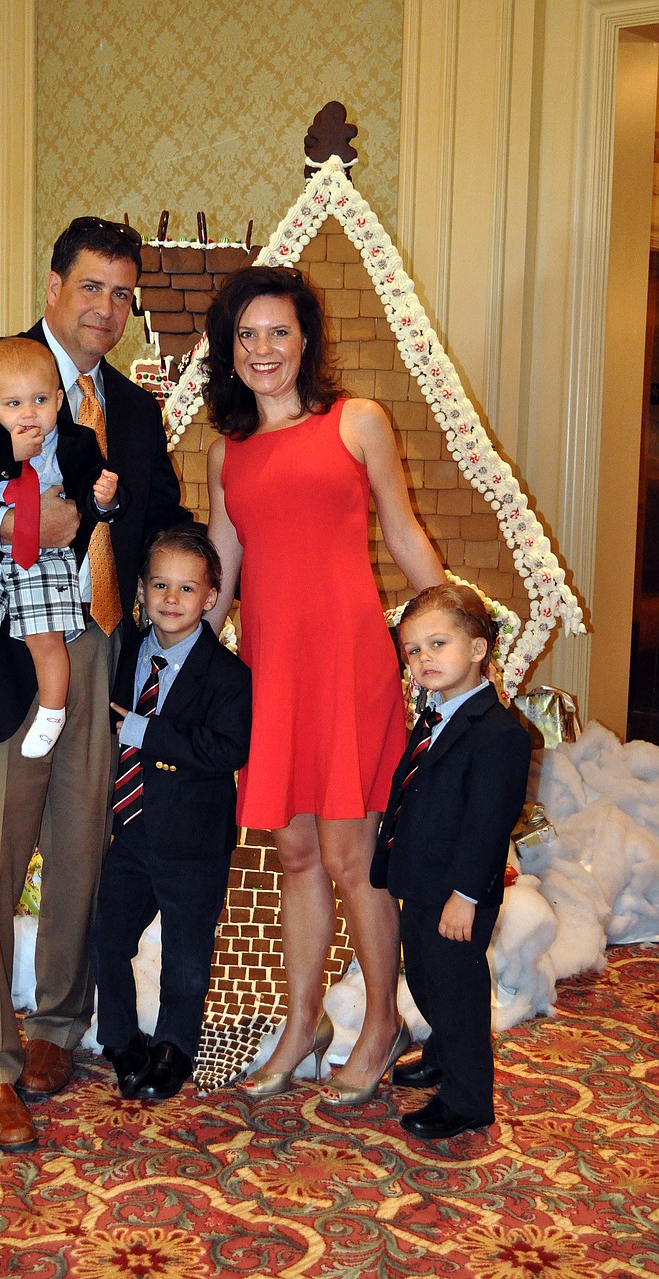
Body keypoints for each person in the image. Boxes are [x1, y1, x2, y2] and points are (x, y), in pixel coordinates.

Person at [0, 217, 193, 1153]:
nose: (107, 308)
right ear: (53, 284)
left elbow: (161, 516)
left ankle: (58, 1026)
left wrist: (202, 589)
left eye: (122, 293)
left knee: (80, 849)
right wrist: (22, 525)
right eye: (91, 286)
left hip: (95, 652)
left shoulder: (134, 411)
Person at [202, 265, 446, 1104]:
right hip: (270, 670)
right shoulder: (224, 450)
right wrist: (180, 672)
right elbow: (220, 573)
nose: (264, 349)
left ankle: (383, 1022)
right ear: (227, 349)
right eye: (247, 335)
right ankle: (301, 1023)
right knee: (294, 849)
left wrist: (452, 639)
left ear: (307, 339)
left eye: (279, 331)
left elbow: (405, 534)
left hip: (348, 662)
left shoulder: (357, 421)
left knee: (351, 854)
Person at [91, 528, 252, 1102]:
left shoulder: (229, 676)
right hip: (128, 831)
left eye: (187, 588)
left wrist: (142, 731)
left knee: (186, 953)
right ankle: (118, 1037)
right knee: (108, 937)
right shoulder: (125, 650)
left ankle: (174, 1046)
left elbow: (226, 749)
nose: (171, 599)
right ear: (141, 588)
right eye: (160, 584)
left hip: (193, 841)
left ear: (211, 597)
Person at [370, 584, 532, 1139]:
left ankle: (467, 1099)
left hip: (458, 893)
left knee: (456, 991)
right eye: (413, 650)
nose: (423, 659)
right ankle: (440, 1051)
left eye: (438, 643)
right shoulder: (436, 715)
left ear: (480, 648)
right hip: (424, 882)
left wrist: (466, 897)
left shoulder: (498, 735)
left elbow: (486, 829)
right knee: (425, 977)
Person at [0, 336, 120, 760]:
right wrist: (8, 451)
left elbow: (92, 499)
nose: (28, 414)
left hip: (46, 555)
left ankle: (52, 713)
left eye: (39, 400)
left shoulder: (75, 442)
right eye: (13, 404)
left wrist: (105, 499)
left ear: (59, 399)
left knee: (46, 638)